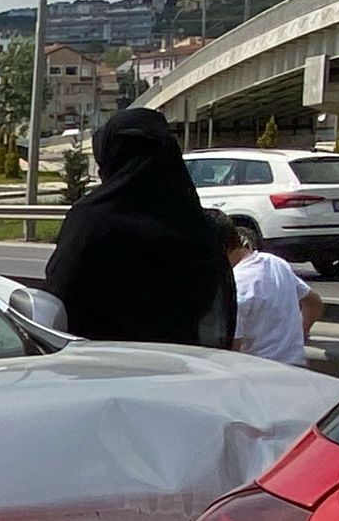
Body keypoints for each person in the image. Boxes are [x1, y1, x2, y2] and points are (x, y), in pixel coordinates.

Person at [43, 109, 235, 348]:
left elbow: (56, 302)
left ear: (112, 155)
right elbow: (218, 316)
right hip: (187, 371)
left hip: (101, 370)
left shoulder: (92, 221)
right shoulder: (200, 228)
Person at [212, 209, 323, 367]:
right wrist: (301, 332)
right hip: (296, 368)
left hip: (260, 374)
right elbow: (313, 302)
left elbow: (231, 355)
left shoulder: (235, 288)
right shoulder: (275, 262)